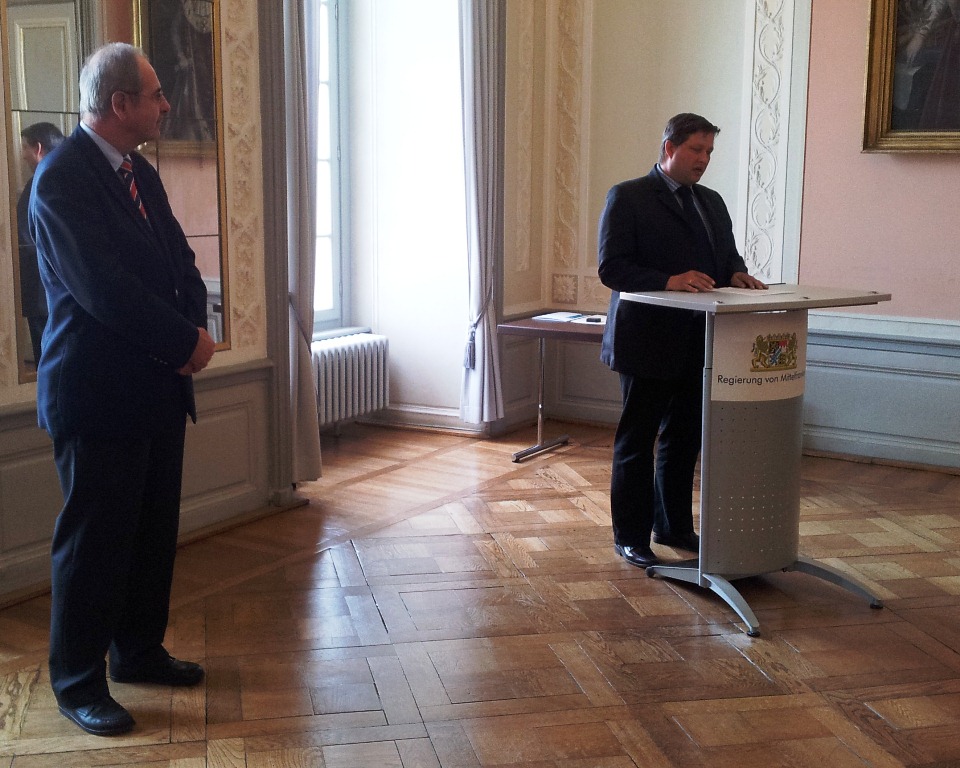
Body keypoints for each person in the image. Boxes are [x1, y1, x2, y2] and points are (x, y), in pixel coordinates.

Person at [28, 42, 216, 737]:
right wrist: (182, 342)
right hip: (97, 395)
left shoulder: (140, 172)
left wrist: (194, 328)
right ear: (120, 104)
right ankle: (78, 682)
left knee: (150, 534)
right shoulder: (61, 179)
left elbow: (181, 263)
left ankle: (137, 651)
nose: (166, 105)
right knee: (94, 545)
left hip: (156, 389)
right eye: (157, 94)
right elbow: (103, 290)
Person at [598, 113, 767, 569]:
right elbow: (612, 268)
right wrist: (668, 280)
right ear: (669, 148)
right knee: (637, 443)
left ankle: (672, 526)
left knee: (683, 439)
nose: (704, 159)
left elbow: (726, 257)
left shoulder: (711, 202)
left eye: (709, 151)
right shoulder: (628, 196)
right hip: (646, 342)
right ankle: (630, 538)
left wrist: (736, 273)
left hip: (700, 343)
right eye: (696, 149)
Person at [16, 122, 64, 367]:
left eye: (25, 147)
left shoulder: (42, 181)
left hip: (41, 289)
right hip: (50, 289)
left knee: (47, 357)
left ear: (38, 148)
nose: (22, 155)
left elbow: (25, 236)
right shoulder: (59, 178)